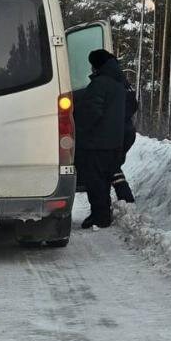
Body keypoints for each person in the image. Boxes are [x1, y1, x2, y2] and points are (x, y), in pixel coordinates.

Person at [73, 49, 126, 228]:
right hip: (114, 142)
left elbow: (92, 112)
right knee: (104, 180)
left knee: (95, 182)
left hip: (97, 143)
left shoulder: (100, 83)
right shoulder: (119, 83)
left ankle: (100, 217)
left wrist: (78, 129)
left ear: (97, 65)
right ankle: (102, 213)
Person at [111, 79, 138, 203]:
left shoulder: (105, 82)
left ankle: (127, 199)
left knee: (111, 167)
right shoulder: (123, 82)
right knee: (113, 166)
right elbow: (134, 105)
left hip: (116, 133)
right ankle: (126, 200)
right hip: (128, 130)